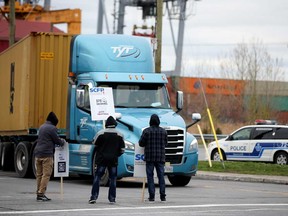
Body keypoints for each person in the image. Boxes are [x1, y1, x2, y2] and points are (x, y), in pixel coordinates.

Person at [89, 116, 125, 204]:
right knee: (113, 178)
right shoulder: (120, 135)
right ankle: (112, 198)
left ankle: (94, 197)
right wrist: (116, 155)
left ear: (106, 124)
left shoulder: (100, 133)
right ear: (115, 124)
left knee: (98, 176)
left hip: (102, 159)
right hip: (113, 160)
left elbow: (94, 142)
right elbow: (122, 149)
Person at [34, 111, 65, 202]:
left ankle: (38, 192)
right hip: (47, 154)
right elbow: (57, 141)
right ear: (54, 122)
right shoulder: (52, 128)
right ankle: (41, 194)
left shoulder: (42, 127)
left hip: (38, 153)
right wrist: (62, 141)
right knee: (46, 174)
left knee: (39, 174)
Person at [139, 114, 168, 202]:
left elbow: (141, 143)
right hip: (160, 157)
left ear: (150, 121)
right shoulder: (163, 131)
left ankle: (152, 196)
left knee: (150, 177)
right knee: (161, 177)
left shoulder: (146, 131)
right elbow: (166, 143)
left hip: (150, 157)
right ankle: (163, 196)